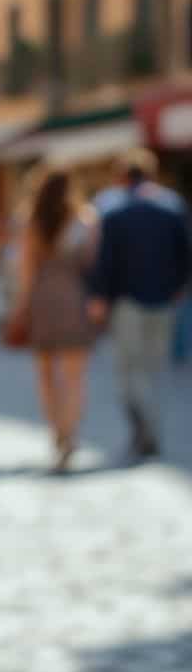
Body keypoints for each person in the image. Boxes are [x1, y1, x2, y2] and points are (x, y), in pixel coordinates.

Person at [89, 154, 192, 460]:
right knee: (153, 369)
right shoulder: (172, 207)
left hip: (127, 303)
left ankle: (143, 428)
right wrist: (178, 289)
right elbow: (186, 254)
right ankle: (151, 428)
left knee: (129, 371)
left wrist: (99, 298)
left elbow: (105, 262)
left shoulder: (114, 211)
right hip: (163, 300)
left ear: (121, 177)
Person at [14, 171, 99, 472]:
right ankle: (70, 430)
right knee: (75, 376)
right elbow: (94, 265)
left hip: (42, 302)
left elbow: (25, 271)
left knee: (47, 375)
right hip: (74, 300)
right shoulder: (86, 221)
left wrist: (22, 308)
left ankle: (57, 432)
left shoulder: (32, 223)